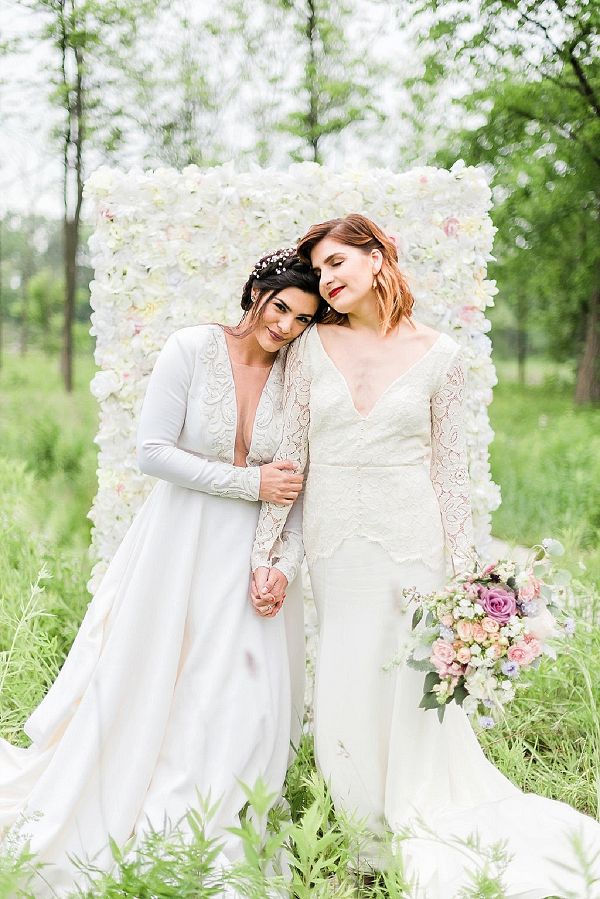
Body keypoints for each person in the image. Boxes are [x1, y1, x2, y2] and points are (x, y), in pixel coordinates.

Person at [250, 215, 600, 898]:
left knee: (408, 685)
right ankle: (360, 833)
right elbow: (290, 459)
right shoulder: (310, 347)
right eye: (319, 269)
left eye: (338, 262)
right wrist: (269, 552)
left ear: (378, 257)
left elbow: (450, 475)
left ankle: (411, 823)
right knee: (346, 678)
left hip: (414, 546)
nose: (327, 279)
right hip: (335, 545)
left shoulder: (442, 356)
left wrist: (467, 577)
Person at [0, 248, 326, 896]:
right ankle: (126, 798)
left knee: (243, 695)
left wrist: (280, 566)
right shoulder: (190, 349)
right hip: (177, 545)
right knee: (153, 676)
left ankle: (213, 813)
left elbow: (297, 483)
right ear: (255, 291)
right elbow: (152, 452)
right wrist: (249, 480)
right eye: (281, 306)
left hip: (249, 553)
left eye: (303, 319)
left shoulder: (299, 380)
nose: (286, 325)